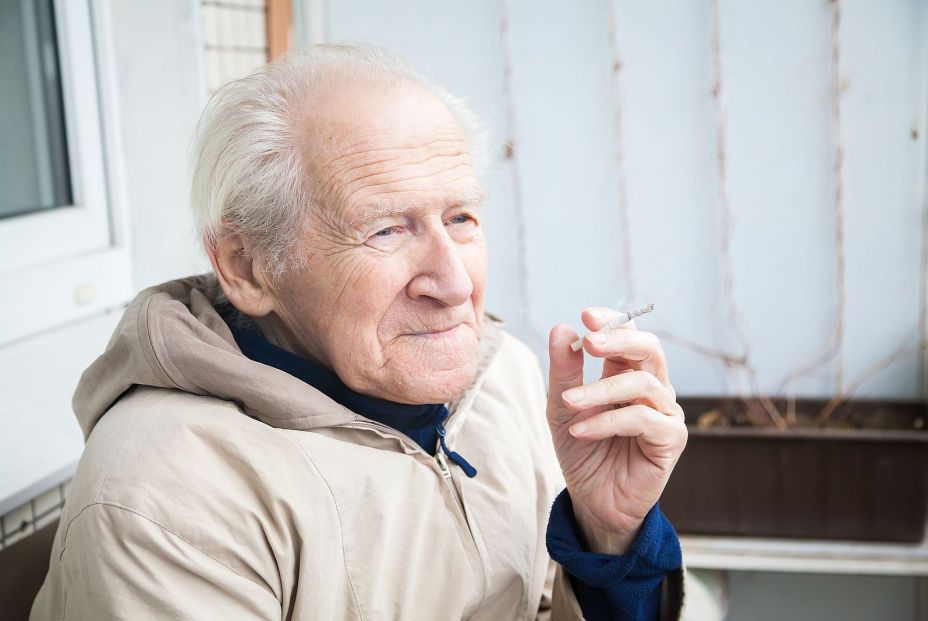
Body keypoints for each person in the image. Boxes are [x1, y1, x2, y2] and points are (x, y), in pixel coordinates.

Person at [31, 45, 687, 620]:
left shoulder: (502, 378)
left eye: (460, 217)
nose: (454, 283)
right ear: (247, 265)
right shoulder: (167, 491)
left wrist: (610, 538)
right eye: (386, 229)